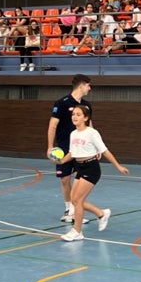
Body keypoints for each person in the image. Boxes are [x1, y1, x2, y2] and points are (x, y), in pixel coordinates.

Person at [56, 105, 129, 242]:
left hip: (91, 168)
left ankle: (77, 231)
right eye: (73, 114)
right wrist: (61, 161)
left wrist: (118, 166)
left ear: (86, 118)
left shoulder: (92, 133)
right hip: (79, 167)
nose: (75, 117)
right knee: (75, 200)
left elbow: (105, 151)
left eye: (78, 114)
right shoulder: (73, 134)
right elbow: (72, 153)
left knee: (77, 200)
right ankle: (101, 213)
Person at [47, 75, 92, 224]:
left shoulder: (87, 105)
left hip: (82, 149)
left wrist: (95, 147)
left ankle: (76, 211)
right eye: (88, 86)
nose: (89, 89)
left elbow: (90, 127)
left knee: (80, 179)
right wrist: (49, 147)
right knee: (65, 179)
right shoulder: (61, 103)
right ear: (81, 86)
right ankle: (69, 210)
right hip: (64, 148)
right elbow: (52, 126)